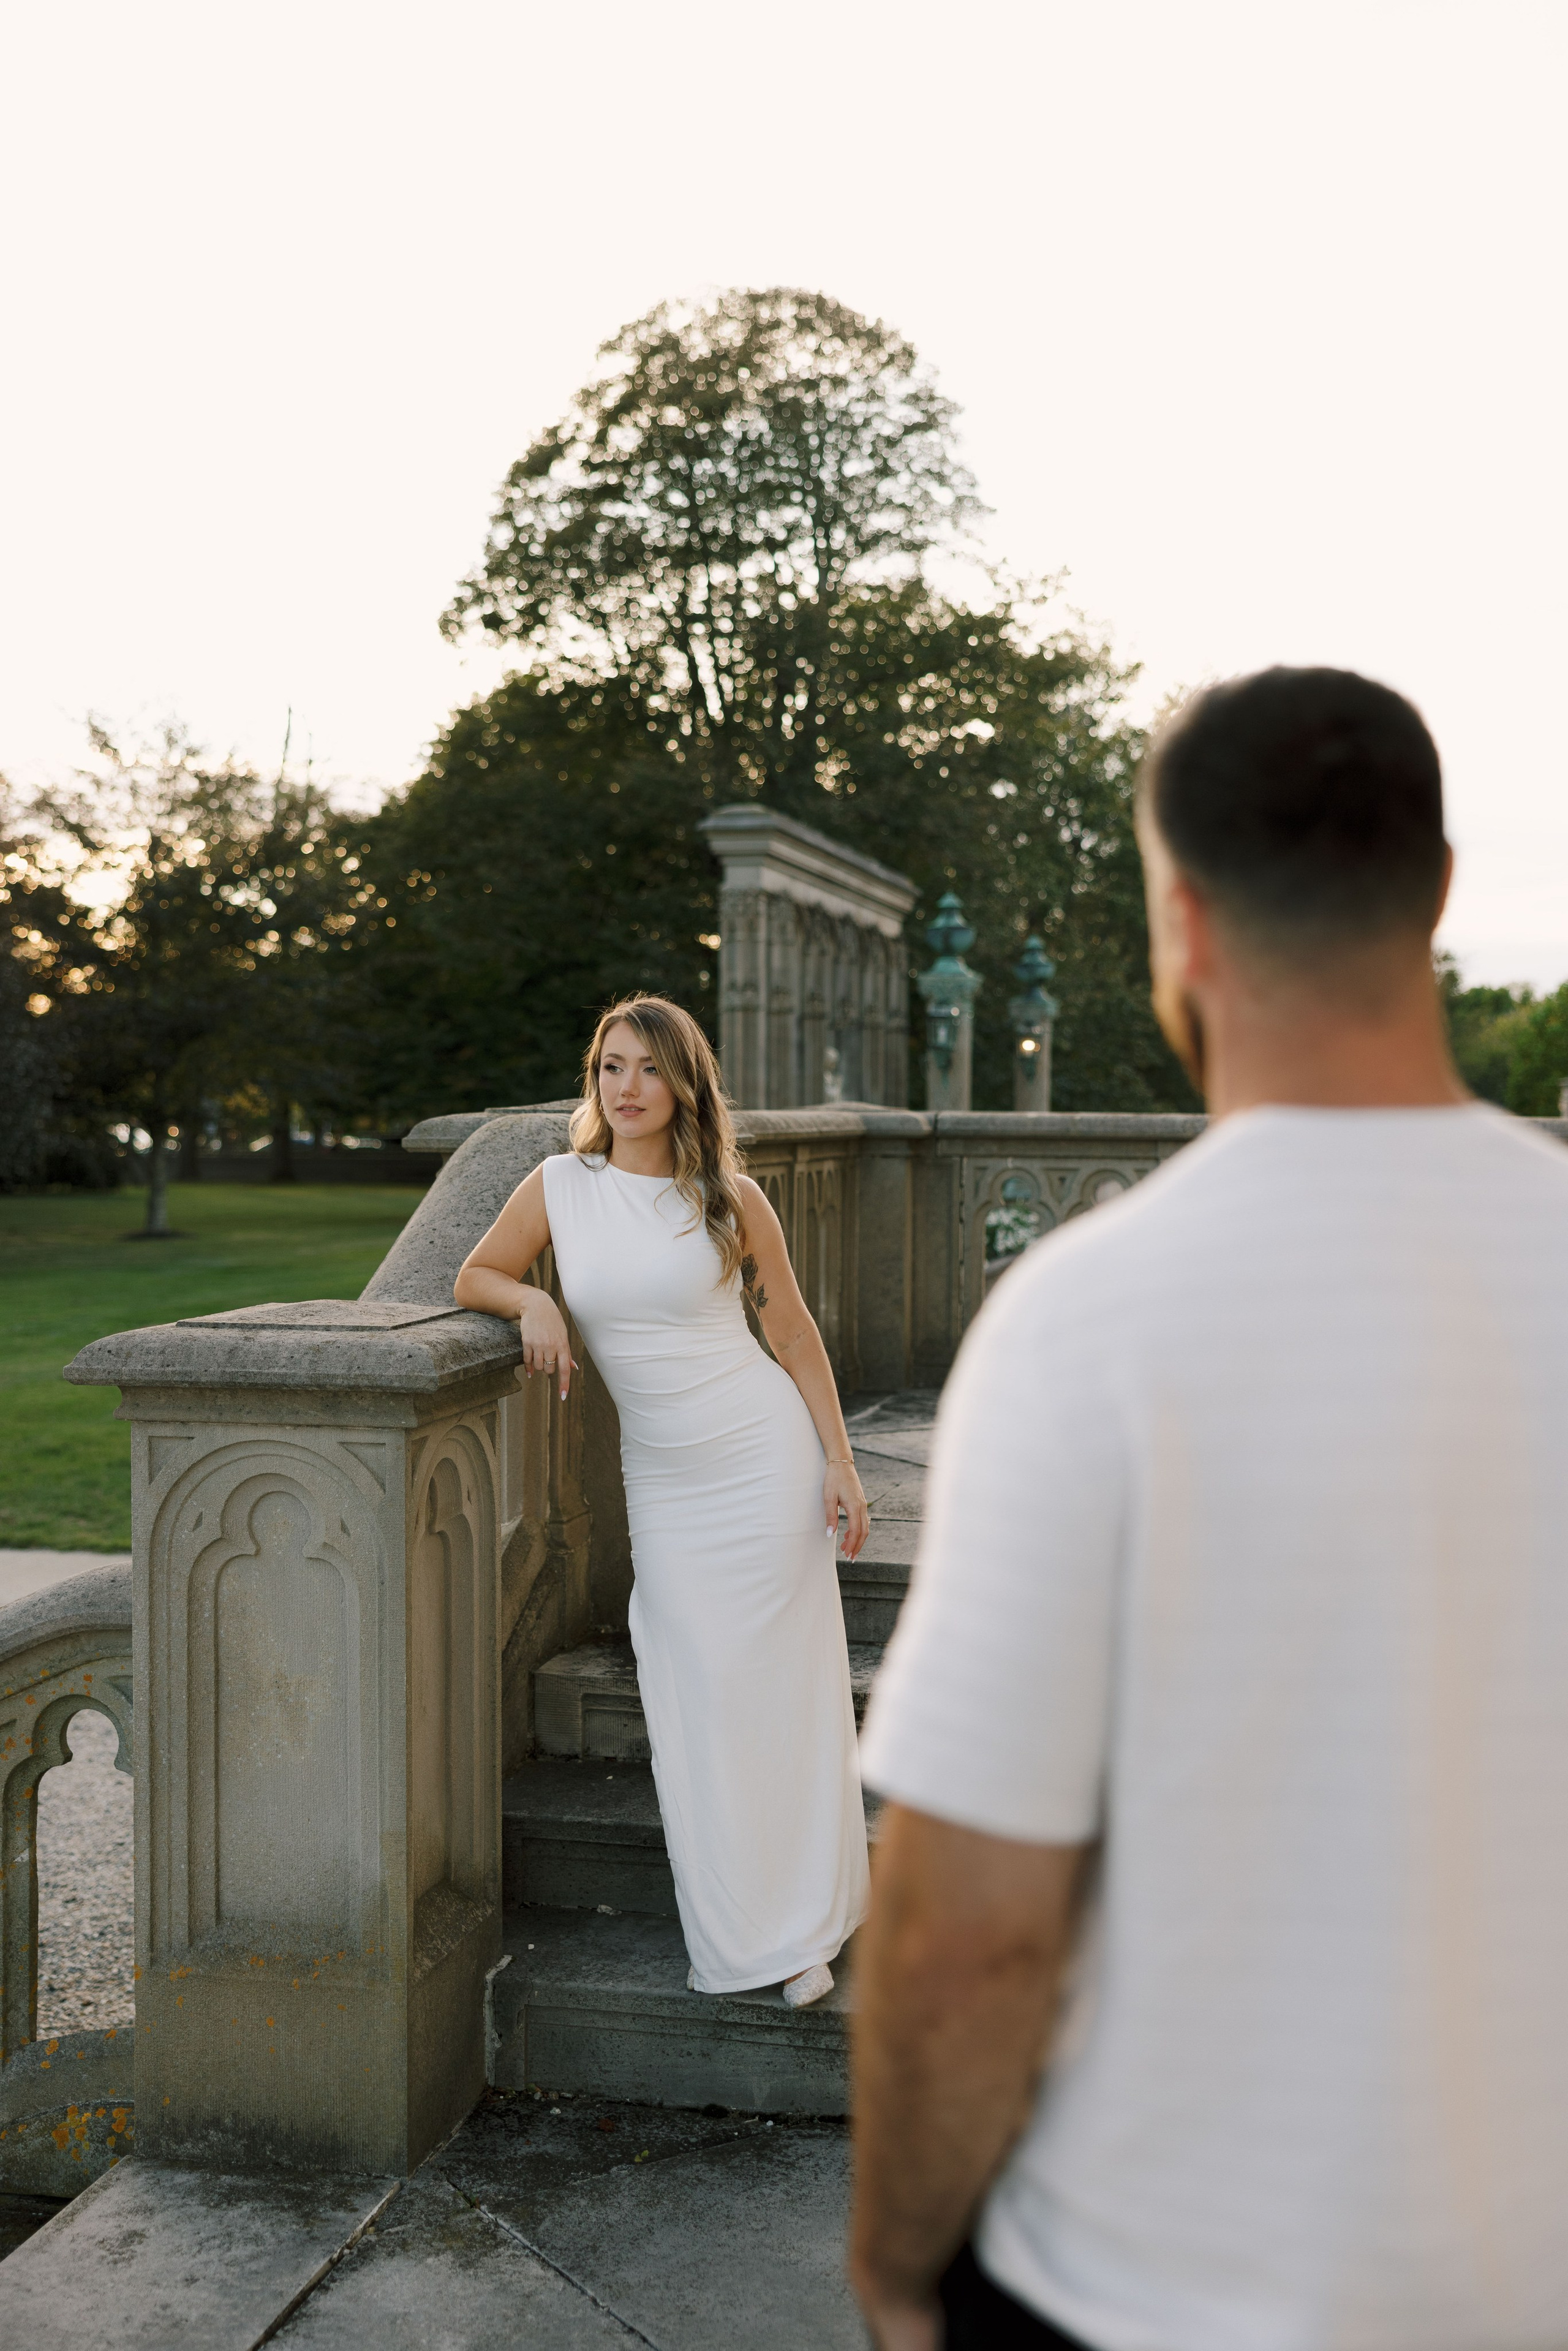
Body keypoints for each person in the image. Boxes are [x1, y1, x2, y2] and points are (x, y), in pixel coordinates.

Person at [851, 668, 1568, 2350]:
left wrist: (893, 2264)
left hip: (1147, 2284)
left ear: (1178, 910)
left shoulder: (1089, 1316)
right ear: (1442, 888)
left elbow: (965, 1931)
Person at [454, 994, 870, 2006]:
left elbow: (795, 1332)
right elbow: (476, 1274)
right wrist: (537, 1298)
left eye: (647, 1068)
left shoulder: (728, 1196)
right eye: (610, 1067)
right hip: (670, 1480)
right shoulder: (559, 1184)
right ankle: (748, 1926)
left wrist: (840, 1459)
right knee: (701, 1687)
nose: (626, 1088)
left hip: (762, 1458)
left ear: (685, 1081)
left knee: (779, 1686)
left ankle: (808, 1919)